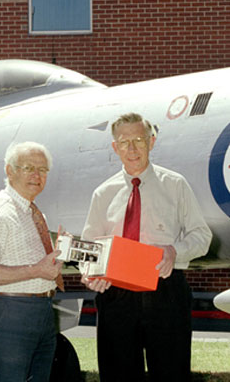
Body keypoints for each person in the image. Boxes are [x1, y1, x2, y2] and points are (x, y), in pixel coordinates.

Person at [81, 113, 212, 382]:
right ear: (114, 147)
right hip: (116, 295)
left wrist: (175, 251)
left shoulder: (175, 185)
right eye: (124, 142)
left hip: (166, 291)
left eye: (139, 140)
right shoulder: (102, 193)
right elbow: (89, 251)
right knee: (118, 374)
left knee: (171, 374)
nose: (132, 149)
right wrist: (89, 273)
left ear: (151, 142)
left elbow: (202, 236)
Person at [0, 141, 63, 382]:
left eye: (43, 170)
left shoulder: (35, 213)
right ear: (9, 171)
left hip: (42, 312)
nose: (36, 175)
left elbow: (38, 267)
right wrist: (36, 270)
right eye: (28, 168)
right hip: (9, 315)